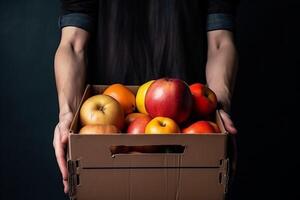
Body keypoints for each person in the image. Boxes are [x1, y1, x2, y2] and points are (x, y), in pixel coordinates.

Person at [53, 0, 238, 194]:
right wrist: (67, 114)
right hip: (109, 133)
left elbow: (220, 42)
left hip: (190, 122)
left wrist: (220, 108)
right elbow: (73, 43)